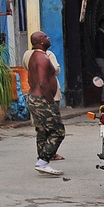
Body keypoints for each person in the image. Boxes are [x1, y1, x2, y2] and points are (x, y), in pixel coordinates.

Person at [26, 31, 64, 176]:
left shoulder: (34, 57)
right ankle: (43, 161)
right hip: (42, 99)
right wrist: (50, 100)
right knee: (58, 131)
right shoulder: (42, 58)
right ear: (41, 41)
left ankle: (42, 161)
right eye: (46, 37)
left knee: (42, 130)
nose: (49, 38)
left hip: (34, 98)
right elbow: (42, 82)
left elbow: (31, 80)